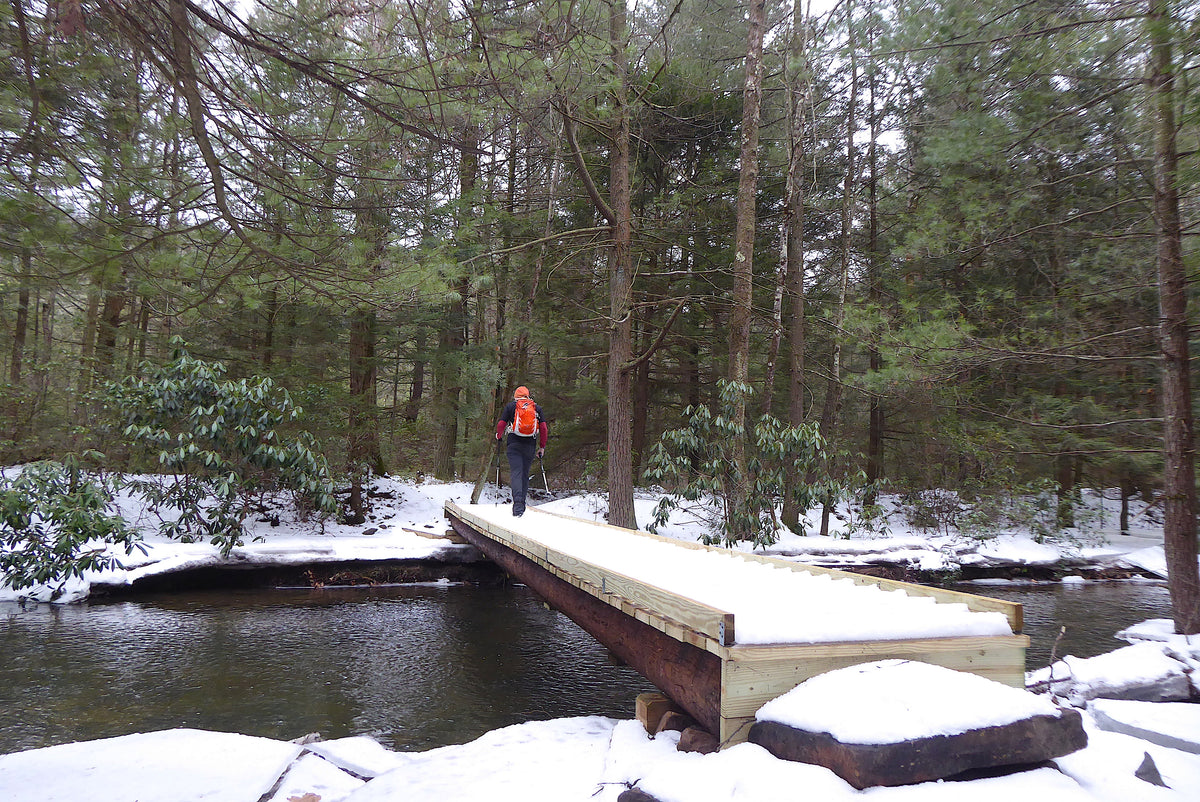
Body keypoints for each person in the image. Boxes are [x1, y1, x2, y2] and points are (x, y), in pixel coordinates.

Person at [495, 385, 548, 517]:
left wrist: (499, 436)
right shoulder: (536, 408)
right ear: (527, 395)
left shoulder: (511, 407)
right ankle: (522, 504)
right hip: (530, 445)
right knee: (524, 474)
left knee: (516, 473)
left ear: (516, 395)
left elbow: (501, 424)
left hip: (514, 444)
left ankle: (517, 505)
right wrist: (542, 446)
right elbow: (544, 428)